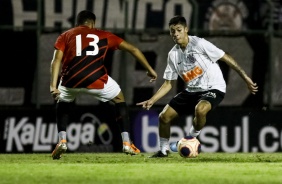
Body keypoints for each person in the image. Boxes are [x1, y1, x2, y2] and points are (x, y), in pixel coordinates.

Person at [136, 15, 258, 158]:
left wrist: (245, 77)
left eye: (179, 30)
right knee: (164, 117)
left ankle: (189, 138)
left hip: (214, 87)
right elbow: (169, 83)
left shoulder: (199, 44)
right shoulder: (173, 55)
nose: (175, 34)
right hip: (192, 90)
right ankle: (163, 151)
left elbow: (226, 57)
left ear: (186, 29)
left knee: (200, 110)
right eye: (172, 31)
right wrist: (152, 100)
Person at [50, 10, 157, 159]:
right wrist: (150, 69)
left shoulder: (66, 35)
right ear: (93, 23)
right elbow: (133, 49)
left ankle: (62, 140)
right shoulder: (104, 35)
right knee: (119, 99)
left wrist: (53, 86)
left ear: (77, 23)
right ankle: (126, 142)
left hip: (71, 80)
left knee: (62, 102)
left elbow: (56, 61)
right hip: (97, 79)